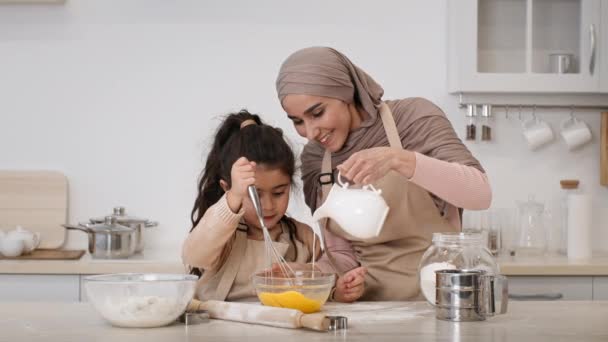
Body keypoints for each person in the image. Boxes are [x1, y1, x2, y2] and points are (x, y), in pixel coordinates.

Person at [275, 47, 492, 300]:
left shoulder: (413, 118)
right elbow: (344, 257)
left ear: (347, 93)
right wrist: (313, 272)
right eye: (297, 121)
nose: (310, 132)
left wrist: (401, 159)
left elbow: (481, 194)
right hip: (370, 311)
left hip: (442, 301)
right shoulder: (316, 159)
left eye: (317, 112)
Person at [182, 109, 367, 302]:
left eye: (279, 193)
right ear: (227, 189)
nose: (268, 206)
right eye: (255, 195)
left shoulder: (302, 237)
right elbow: (194, 257)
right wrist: (234, 197)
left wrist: (337, 292)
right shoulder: (223, 236)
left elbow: (315, 285)